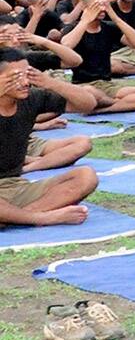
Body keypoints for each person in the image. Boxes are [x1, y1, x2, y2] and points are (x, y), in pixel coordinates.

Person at [0, 49, 99, 227]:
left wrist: (49, 82)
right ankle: (41, 217)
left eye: (27, 75)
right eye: (15, 78)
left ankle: (16, 217)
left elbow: (88, 104)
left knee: (86, 176)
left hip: (14, 186)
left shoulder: (31, 98)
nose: (24, 83)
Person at [60, 0, 135, 113]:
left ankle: (103, 109)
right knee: (91, 93)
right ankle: (116, 103)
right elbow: (66, 45)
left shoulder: (108, 27)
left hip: (107, 84)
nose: (101, 9)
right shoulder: (74, 28)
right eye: (96, 5)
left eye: (104, 4)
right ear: (85, 8)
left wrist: (115, 18)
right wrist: (85, 20)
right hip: (84, 85)